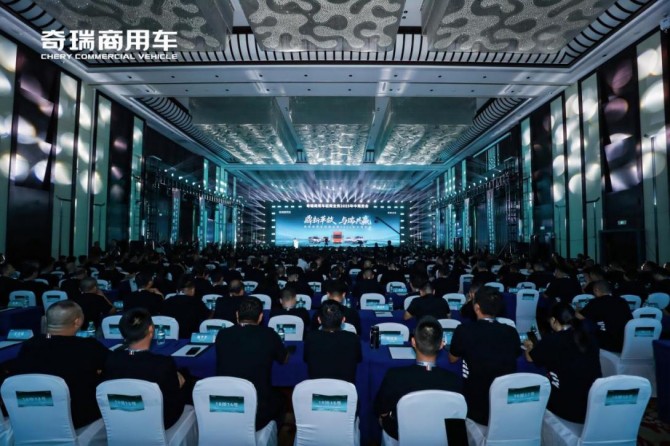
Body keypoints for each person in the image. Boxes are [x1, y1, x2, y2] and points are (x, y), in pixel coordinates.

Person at [12, 301, 108, 428]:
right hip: (79, 419)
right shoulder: (89, 346)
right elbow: (114, 367)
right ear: (78, 321)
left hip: (33, 418)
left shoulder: (28, 345)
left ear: (46, 320)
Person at [375, 316, 461, 440]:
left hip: (401, 436)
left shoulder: (395, 376)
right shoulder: (455, 381)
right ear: (442, 344)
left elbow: (381, 410)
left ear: (413, 342)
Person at [103, 308, 188, 429]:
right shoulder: (162, 363)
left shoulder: (111, 359)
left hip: (122, 420)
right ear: (151, 329)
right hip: (161, 421)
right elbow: (174, 395)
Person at [449, 287, 521, 425]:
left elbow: (452, 358)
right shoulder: (511, 332)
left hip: (474, 406)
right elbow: (517, 355)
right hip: (504, 405)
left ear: (476, 307)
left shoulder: (464, 331)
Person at [215, 297, 288, 430]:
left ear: (237, 315)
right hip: (257, 412)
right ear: (260, 317)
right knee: (282, 398)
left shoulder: (222, 334)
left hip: (225, 405)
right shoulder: (269, 335)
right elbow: (283, 360)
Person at [524, 303, 602, 423]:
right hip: (592, 404)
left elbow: (530, 358)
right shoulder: (589, 337)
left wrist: (528, 346)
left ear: (553, 320)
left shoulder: (552, 340)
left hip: (567, 409)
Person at [304, 300, 361, 383]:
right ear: (343, 320)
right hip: (345, 387)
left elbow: (306, 359)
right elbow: (359, 359)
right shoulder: (353, 338)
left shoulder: (310, 337)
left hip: (317, 386)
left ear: (319, 320)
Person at [577, 280, 632, 353]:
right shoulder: (622, 301)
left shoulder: (595, 302)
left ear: (596, 290)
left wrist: (577, 309)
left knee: (585, 323)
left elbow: (579, 317)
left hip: (607, 344)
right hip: (625, 341)